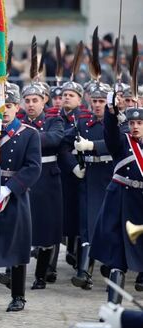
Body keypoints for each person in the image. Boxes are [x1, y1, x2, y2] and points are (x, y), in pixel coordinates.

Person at [0, 83, 42, 312]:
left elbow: (33, 168)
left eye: (9, 106)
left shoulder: (29, 134)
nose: (4, 111)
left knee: (17, 245)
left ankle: (18, 296)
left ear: (17, 108)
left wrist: (10, 188)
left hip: (14, 194)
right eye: (0, 106)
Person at [60, 82, 113, 290]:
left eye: (102, 101)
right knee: (86, 224)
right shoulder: (82, 122)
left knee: (108, 225)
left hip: (109, 176)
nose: (98, 105)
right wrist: (73, 166)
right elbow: (64, 146)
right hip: (88, 176)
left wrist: (93, 146)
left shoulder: (118, 122)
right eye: (95, 101)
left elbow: (121, 143)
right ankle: (84, 271)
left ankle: (111, 270)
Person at [90, 93, 143, 302]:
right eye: (132, 123)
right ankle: (113, 306)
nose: (136, 126)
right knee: (117, 257)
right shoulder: (122, 141)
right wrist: (112, 113)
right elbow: (110, 134)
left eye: (140, 122)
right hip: (121, 201)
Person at [20, 83, 64, 290]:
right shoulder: (18, 121)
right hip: (25, 179)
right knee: (20, 228)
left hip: (47, 180)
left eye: (35, 100)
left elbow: (54, 139)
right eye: (27, 101)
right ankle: (14, 272)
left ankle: (41, 274)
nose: (30, 105)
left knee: (46, 230)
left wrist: (25, 137)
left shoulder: (53, 120)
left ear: (44, 100)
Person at [58, 80, 90, 269]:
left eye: (71, 95)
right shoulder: (55, 117)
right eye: (64, 95)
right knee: (65, 215)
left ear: (79, 99)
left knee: (81, 215)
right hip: (64, 171)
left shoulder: (84, 118)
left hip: (84, 172)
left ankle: (78, 255)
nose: (66, 98)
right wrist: (71, 165)